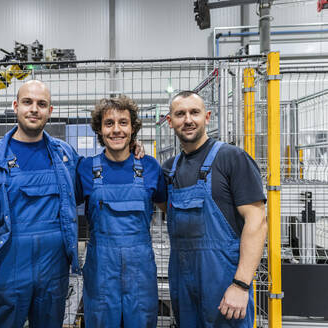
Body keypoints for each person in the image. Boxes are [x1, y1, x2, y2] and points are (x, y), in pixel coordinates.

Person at [0, 80, 80, 328]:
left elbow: (91, 182)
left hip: (53, 270)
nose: (34, 109)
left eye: (41, 104)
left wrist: (132, 148)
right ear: (15, 106)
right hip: (6, 268)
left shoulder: (65, 156)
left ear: (50, 111)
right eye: (28, 102)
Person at [163, 90, 267, 327]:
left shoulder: (232, 158)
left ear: (207, 117)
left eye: (194, 112)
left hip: (224, 283)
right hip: (183, 283)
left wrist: (241, 284)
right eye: (180, 114)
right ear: (170, 121)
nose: (188, 119)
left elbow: (257, 221)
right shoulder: (169, 169)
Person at [76, 95, 167, 328]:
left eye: (123, 123)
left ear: (133, 128)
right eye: (109, 123)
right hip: (101, 272)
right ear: (99, 129)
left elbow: (167, 209)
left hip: (140, 272)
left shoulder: (149, 167)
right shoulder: (86, 169)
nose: (116, 130)